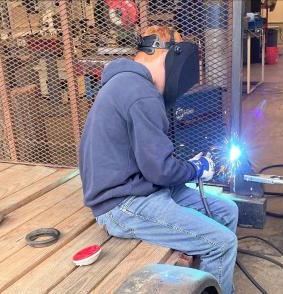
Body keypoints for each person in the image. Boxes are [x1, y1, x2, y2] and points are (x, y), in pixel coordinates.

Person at [79, 25, 238, 294]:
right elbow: (161, 170)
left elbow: (153, 163)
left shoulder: (127, 83)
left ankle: (205, 282)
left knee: (227, 211)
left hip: (143, 189)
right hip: (123, 204)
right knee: (222, 243)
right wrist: (198, 168)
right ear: (167, 56)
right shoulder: (140, 93)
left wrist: (190, 168)